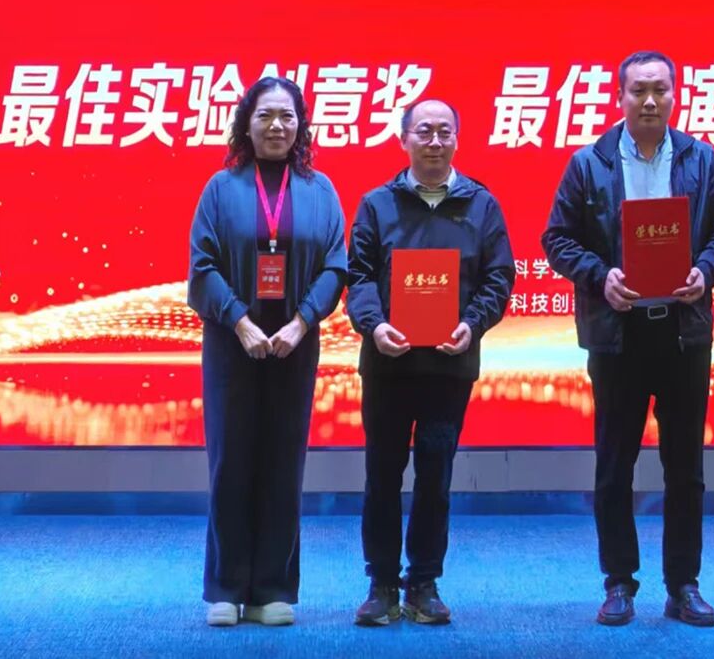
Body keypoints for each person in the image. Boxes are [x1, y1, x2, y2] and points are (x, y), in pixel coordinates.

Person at [542, 50, 714, 628]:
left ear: (675, 95)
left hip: (682, 334)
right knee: (614, 465)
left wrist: (706, 269)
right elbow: (557, 239)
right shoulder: (589, 164)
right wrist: (601, 276)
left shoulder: (701, 159)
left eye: (660, 90)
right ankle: (619, 582)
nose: (649, 101)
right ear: (620, 97)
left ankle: (683, 584)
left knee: (686, 467)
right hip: (618, 334)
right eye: (638, 91)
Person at [346, 99, 514, 627]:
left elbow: (499, 277)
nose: (435, 141)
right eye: (424, 131)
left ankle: (423, 581)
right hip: (388, 365)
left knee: (436, 476)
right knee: (382, 475)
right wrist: (374, 326)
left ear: (457, 139)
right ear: (404, 140)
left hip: (448, 366)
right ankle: (381, 583)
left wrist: (473, 324)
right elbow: (358, 275)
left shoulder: (481, 204)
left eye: (445, 131)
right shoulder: (377, 204)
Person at [188, 76, 348, 627]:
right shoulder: (221, 188)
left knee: (283, 463)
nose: (277, 126)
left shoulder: (320, 190)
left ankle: (272, 589)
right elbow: (202, 266)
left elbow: (335, 265)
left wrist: (302, 323)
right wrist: (240, 321)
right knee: (230, 462)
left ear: (301, 125)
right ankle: (226, 589)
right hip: (231, 346)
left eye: (287, 116)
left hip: (293, 347)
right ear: (246, 123)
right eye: (265, 116)